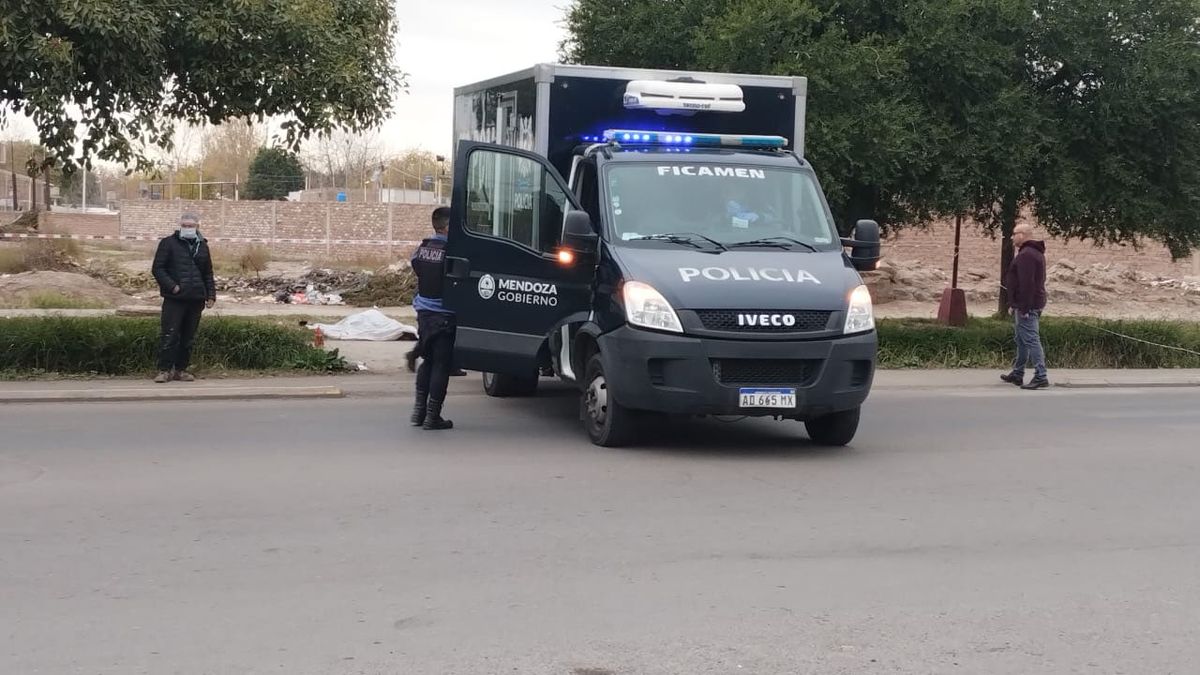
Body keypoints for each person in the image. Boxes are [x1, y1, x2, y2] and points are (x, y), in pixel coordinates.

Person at [150, 212, 216, 383]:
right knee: (170, 335)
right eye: (185, 225)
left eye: (191, 226)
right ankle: (164, 370)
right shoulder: (168, 243)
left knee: (188, 337)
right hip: (175, 299)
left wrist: (211, 295)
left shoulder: (202, 245)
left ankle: (181, 370)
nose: (188, 228)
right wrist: (173, 286)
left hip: (196, 299)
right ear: (180, 226)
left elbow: (207, 272)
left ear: (197, 227)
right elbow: (158, 269)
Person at [408, 207, 456, 430]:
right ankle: (432, 416)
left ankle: (418, 413)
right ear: (446, 227)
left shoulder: (423, 248)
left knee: (427, 361)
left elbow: (416, 266)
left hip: (424, 313)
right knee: (441, 364)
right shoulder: (451, 250)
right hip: (444, 314)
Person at [1002, 224, 1049, 390]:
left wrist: (1023, 308)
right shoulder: (1032, 253)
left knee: (1031, 339)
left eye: (1014, 234)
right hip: (1027, 304)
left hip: (1027, 306)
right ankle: (1018, 373)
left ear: (1022, 235)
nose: (1012, 237)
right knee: (1021, 339)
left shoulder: (1027, 255)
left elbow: (1027, 284)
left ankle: (1041, 376)